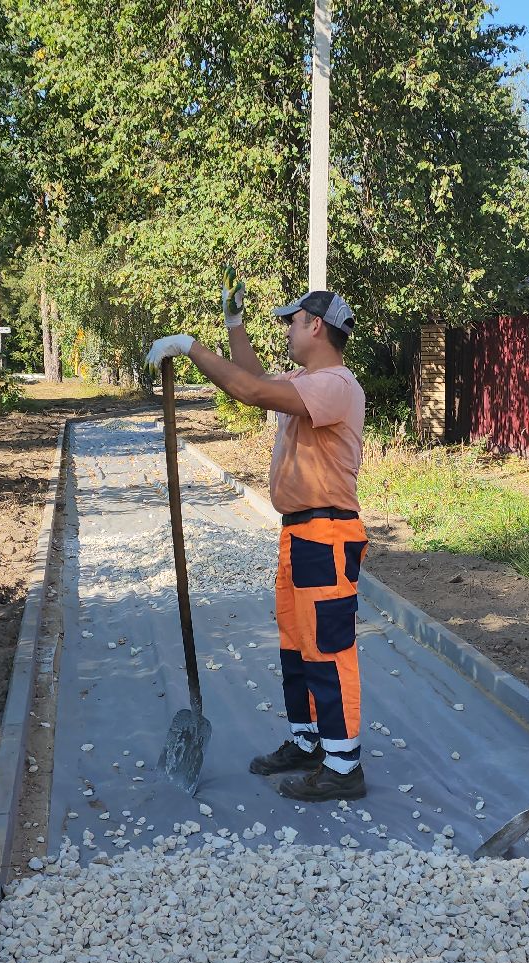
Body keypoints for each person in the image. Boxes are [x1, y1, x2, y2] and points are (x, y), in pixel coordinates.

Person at [145, 269, 369, 802]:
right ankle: (308, 740)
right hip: (300, 534)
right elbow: (253, 384)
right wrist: (234, 325)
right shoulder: (305, 384)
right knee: (296, 643)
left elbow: (247, 388)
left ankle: (343, 767)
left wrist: (190, 346)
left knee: (329, 649)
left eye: (291, 323)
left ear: (315, 326)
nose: (286, 332)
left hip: (327, 534)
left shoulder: (337, 386)